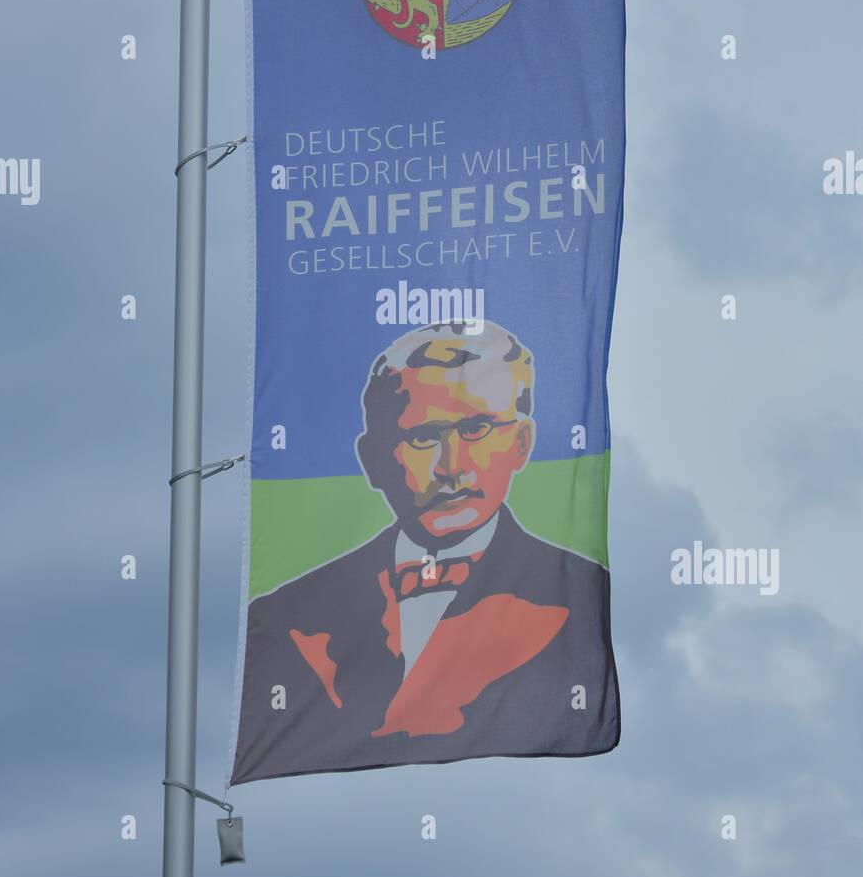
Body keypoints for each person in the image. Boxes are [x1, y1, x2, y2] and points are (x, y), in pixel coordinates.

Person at [231, 321, 619, 782]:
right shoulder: (284, 616)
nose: (451, 467)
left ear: (521, 445)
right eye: (422, 438)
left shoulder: (578, 593)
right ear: (372, 460)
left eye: (476, 429)